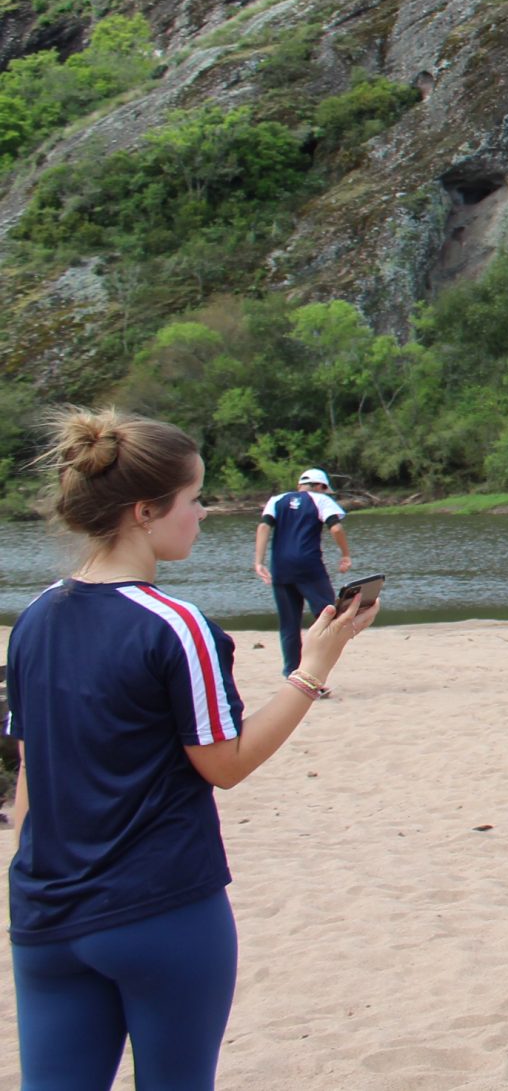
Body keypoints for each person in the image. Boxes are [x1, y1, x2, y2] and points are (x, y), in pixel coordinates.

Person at [9, 410, 376, 1091]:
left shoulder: (33, 618)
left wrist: (32, 884)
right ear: (146, 511)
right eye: (193, 498)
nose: (202, 514)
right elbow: (225, 763)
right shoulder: (177, 626)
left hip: (46, 915)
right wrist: (314, 667)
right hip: (161, 911)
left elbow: (30, 771)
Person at [252, 468, 351, 681]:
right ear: (320, 487)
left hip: (280, 568)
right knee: (330, 617)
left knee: (289, 624)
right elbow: (335, 529)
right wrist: (345, 554)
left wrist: (258, 562)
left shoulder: (276, 500)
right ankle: (315, 672)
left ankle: (292, 673)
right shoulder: (320, 500)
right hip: (309, 566)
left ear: (300, 485)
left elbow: (263, 527)